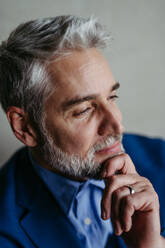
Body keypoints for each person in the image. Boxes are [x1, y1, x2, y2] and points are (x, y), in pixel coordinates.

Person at [0, 15, 165, 248]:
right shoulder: (5, 227)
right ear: (25, 127)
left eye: (112, 97)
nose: (117, 126)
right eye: (84, 110)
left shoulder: (162, 158)